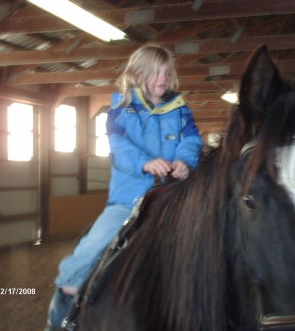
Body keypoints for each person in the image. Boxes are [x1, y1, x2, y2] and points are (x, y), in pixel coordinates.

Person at [44, 44, 203, 331]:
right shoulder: (120, 110)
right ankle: (62, 310)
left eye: (167, 72)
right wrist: (145, 163)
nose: (163, 78)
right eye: (156, 72)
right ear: (139, 74)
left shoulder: (181, 111)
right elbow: (118, 147)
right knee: (89, 250)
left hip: (173, 198)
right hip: (129, 200)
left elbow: (191, 141)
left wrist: (184, 161)